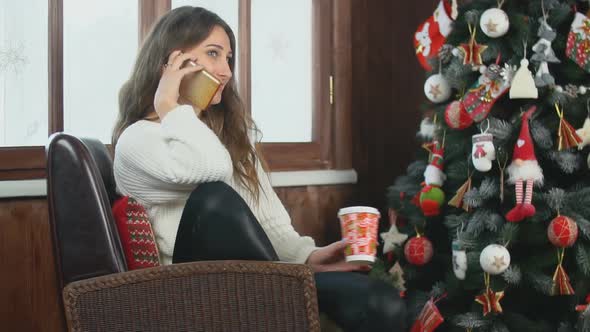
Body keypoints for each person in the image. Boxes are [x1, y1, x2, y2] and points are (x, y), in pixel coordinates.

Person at [113, 6, 405, 331]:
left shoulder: (231, 139)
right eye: (213, 54)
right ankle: (281, 289)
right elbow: (212, 171)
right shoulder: (137, 140)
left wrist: (308, 257)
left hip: (256, 277)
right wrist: (170, 105)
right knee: (213, 198)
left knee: (380, 301)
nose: (225, 71)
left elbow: (269, 222)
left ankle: (281, 287)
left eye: (229, 58)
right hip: (190, 288)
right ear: (172, 63)